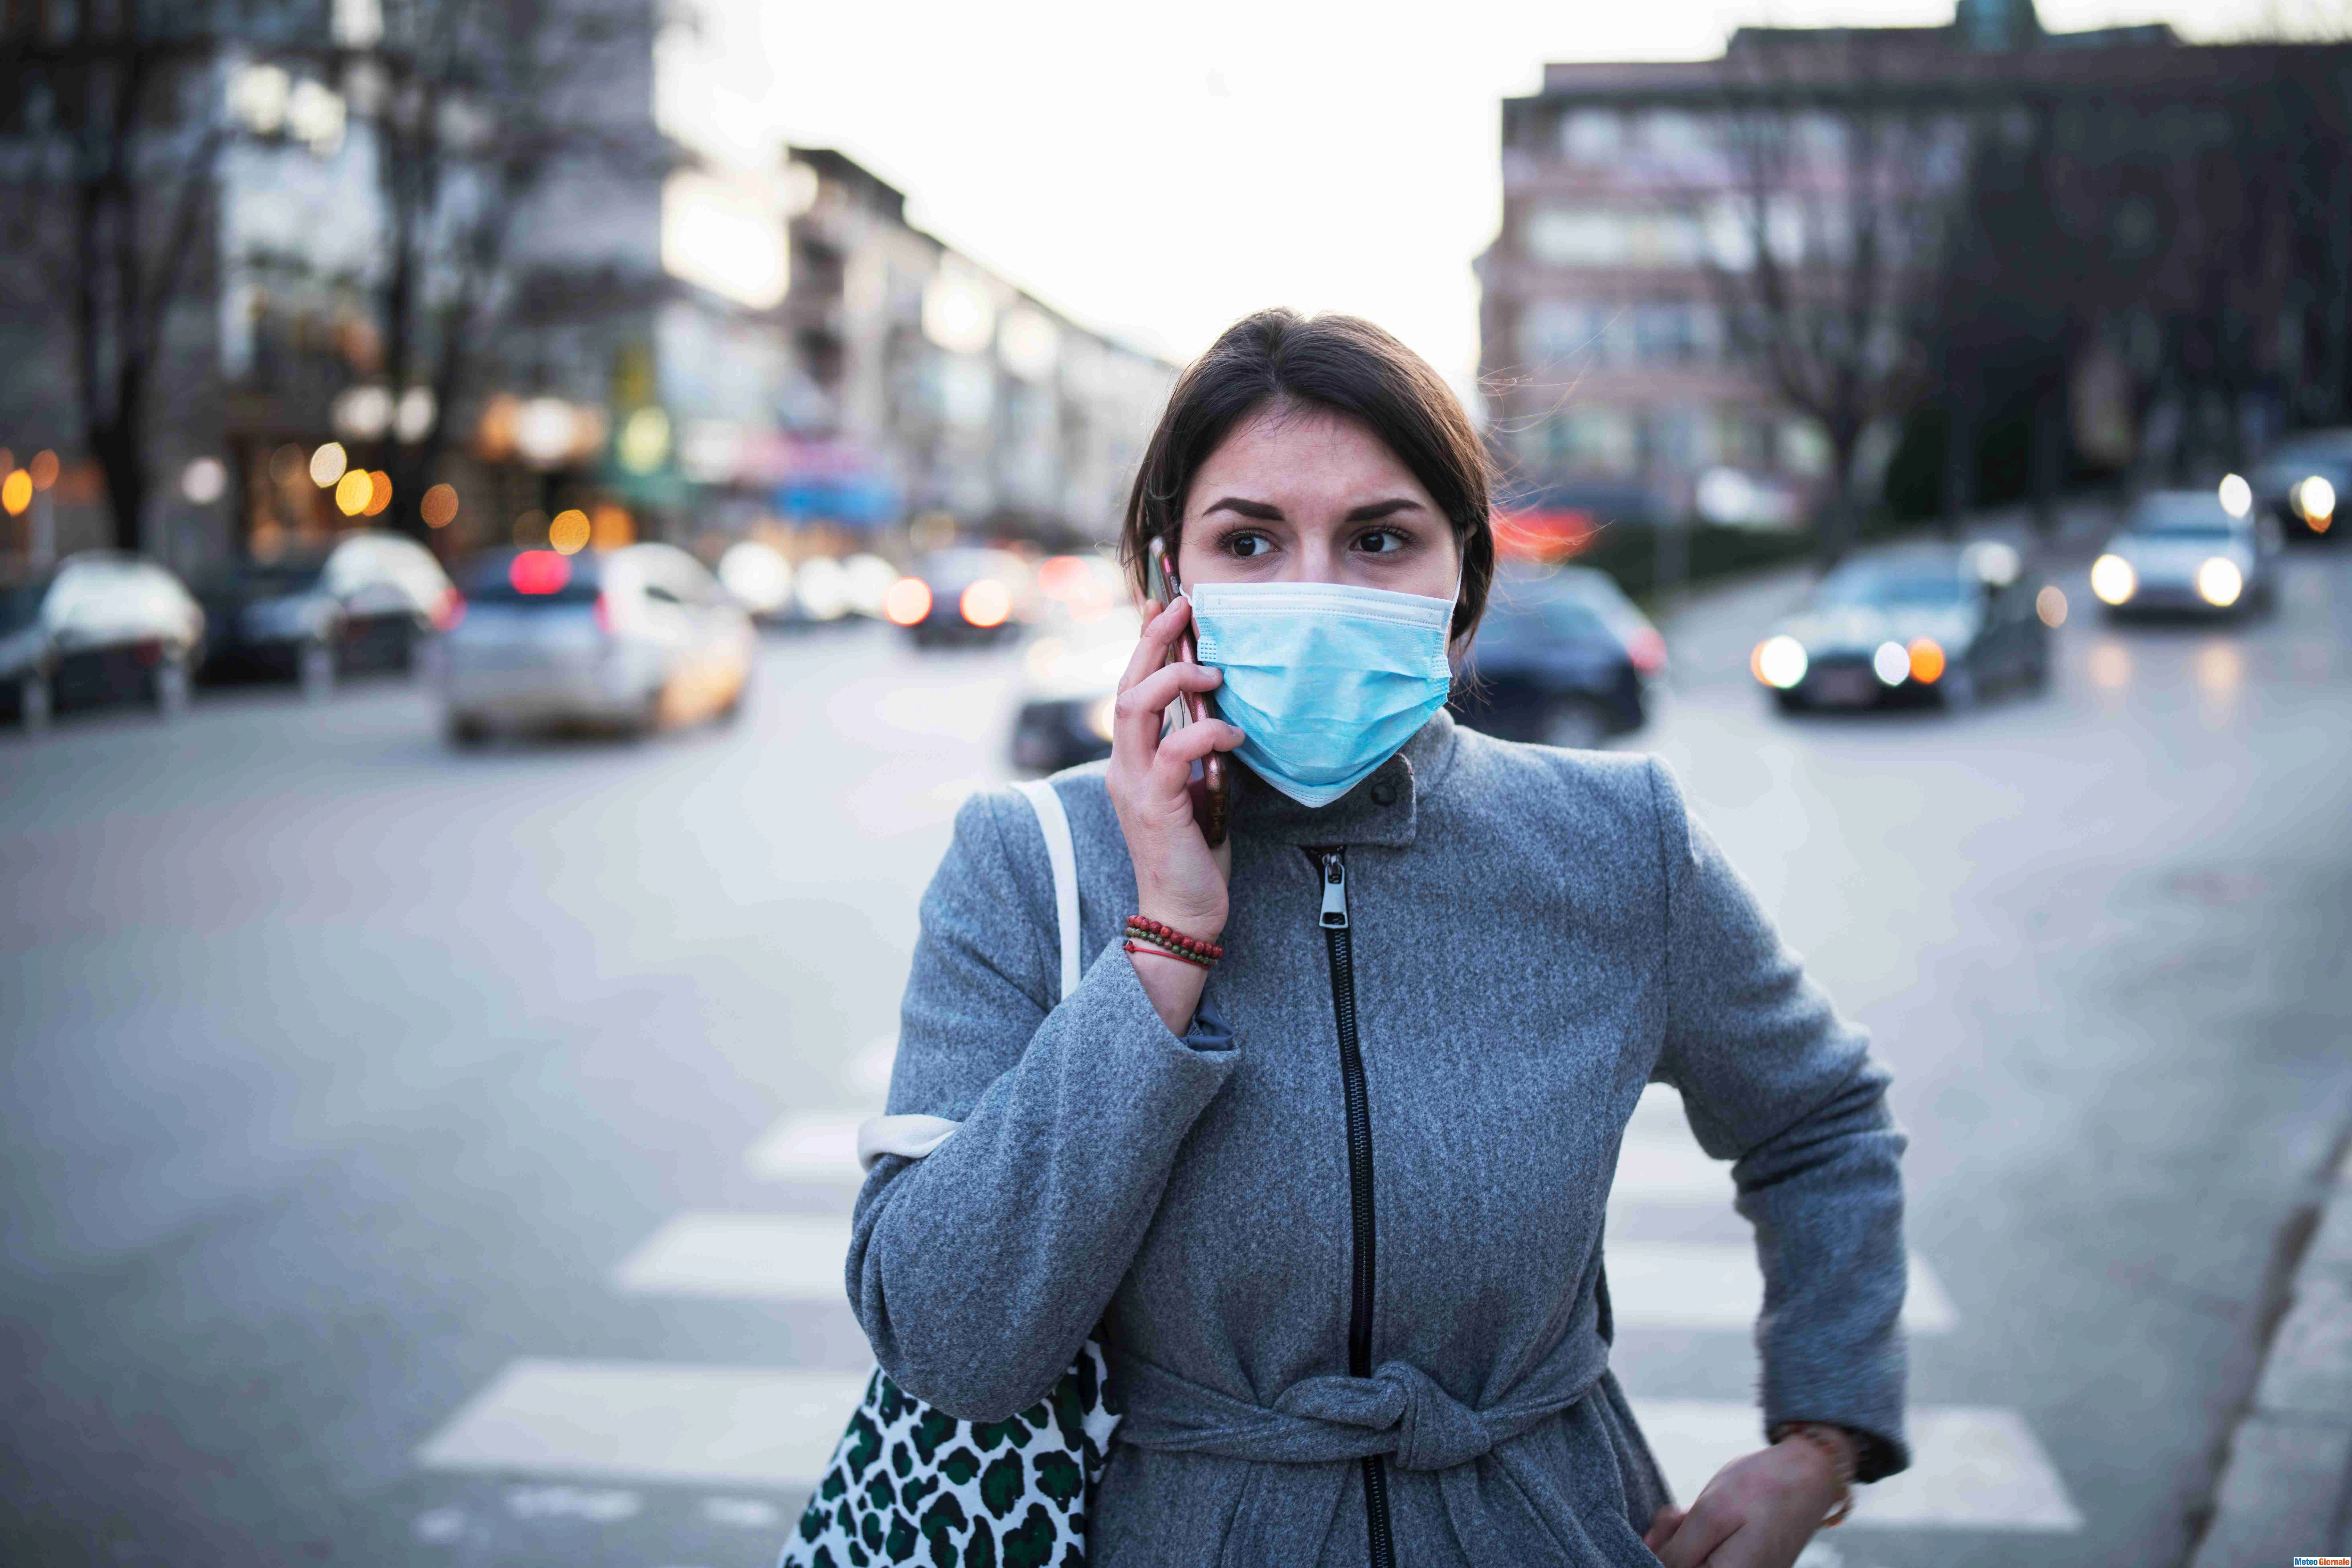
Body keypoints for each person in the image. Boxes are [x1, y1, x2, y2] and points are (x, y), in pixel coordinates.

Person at [846, 309, 1909, 1567]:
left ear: (1461, 574)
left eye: (1379, 539)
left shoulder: (1618, 840)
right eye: (1250, 540)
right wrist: (1165, 943)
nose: (1316, 591)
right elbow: (950, 1339)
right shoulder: (1027, 862)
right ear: (1168, 578)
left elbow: (1822, 1119)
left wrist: (1822, 1437)